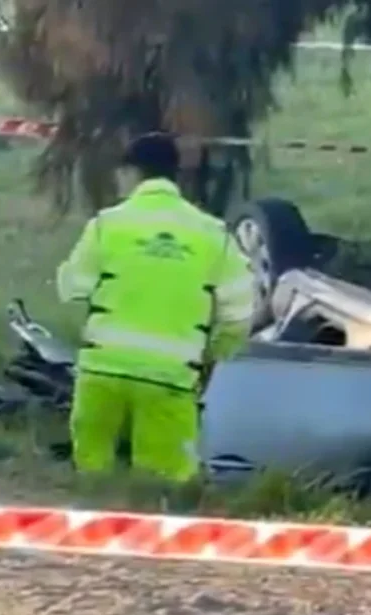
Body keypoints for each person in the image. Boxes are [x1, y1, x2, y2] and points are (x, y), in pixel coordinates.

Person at [55, 132, 255, 482]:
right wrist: (214, 355)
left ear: (132, 173)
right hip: (172, 378)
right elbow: (239, 312)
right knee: (163, 487)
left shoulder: (107, 225)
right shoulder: (212, 234)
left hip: (104, 372)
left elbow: (71, 288)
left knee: (92, 478)